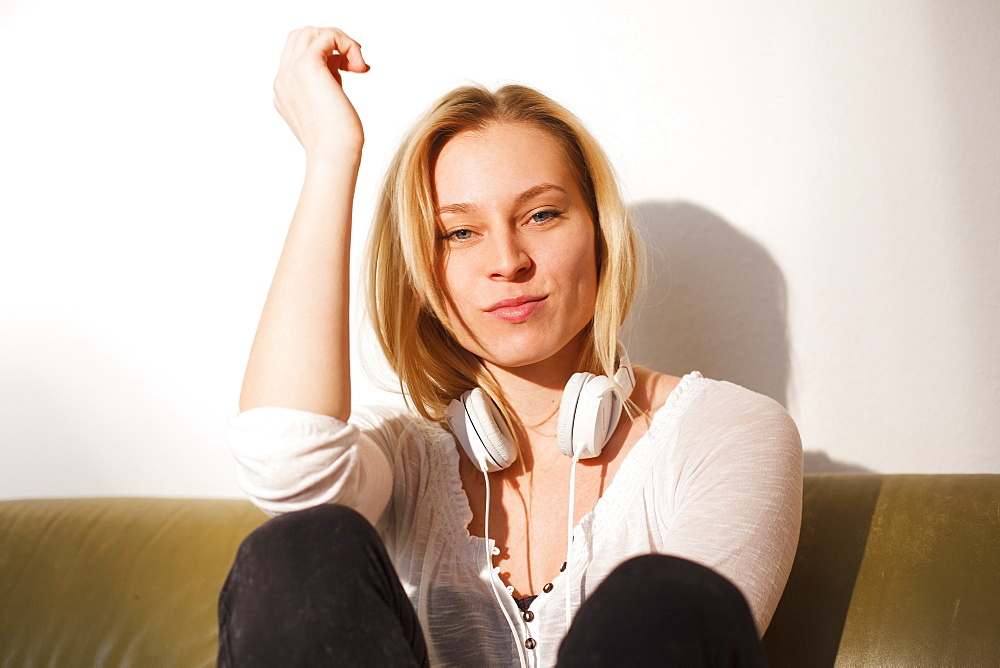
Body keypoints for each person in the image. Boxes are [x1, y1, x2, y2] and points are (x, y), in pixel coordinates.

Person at [218, 26, 803, 667]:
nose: (507, 261)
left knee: (663, 597)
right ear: (420, 269)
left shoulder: (728, 433)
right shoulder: (401, 459)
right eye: (459, 232)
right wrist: (332, 157)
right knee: (299, 549)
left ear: (600, 235)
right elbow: (286, 465)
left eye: (542, 215)